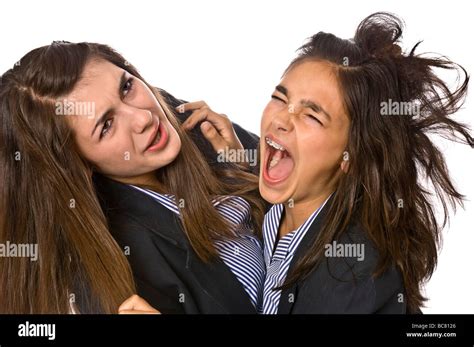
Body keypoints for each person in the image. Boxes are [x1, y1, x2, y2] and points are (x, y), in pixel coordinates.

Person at [0, 41, 266, 313]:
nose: (142, 119)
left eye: (126, 87)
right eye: (106, 126)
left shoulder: (196, 129)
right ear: (78, 164)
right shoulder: (123, 270)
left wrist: (247, 170)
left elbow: (305, 207)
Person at [257, 12, 473, 314]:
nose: (281, 120)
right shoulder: (286, 193)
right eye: (280, 98)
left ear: (351, 156)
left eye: (311, 116)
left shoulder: (348, 277)